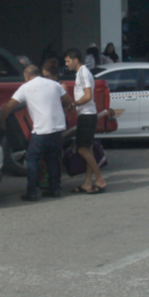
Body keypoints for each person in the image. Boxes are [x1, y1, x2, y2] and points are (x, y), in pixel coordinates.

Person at [0, 64, 74, 203]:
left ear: (27, 76)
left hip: (42, 130)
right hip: (57, 129)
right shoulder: (54, 84)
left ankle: (31, 192)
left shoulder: (26, 87)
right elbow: (68, 101)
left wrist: (2, 121)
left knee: (31, 160)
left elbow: (9, 106)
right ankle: (54, 189)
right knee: (52, 159)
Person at [65, 48, 106, 194]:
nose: (66, 64)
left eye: (68, 61)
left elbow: (88, 96)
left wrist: (73, 104)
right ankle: (87, 183)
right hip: (85, 114)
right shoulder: (81, 73)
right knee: (87, 149)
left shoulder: (83, 73)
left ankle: (100, 179)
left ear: (76, 60)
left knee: (82, 149)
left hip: (87, 115)